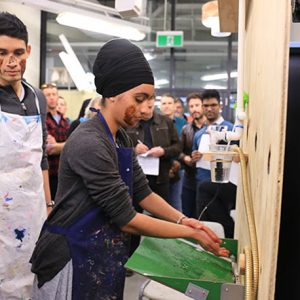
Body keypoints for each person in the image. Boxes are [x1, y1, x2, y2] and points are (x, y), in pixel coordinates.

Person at [30, 38, 229, 300]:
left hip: (102, 253)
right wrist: (191, 234)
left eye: (150, 99)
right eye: (139, 98)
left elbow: (143, 194)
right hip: (71, 256)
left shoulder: (122, 138)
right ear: (113, 93)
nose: (147, 110)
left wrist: (183, 219)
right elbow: (127, 218)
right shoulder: (89, 141)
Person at [0, 12, 52, 299]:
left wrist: (48, 205)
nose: (11, 61)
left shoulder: (36, 97)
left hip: (31, 211)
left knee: (29, 281)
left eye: (18, 52)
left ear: (28, 51)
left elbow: (41, 156)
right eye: (2, 53)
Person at [192, 89, 234, 184]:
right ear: (202, 107)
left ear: (220, 106)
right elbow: (194, 154)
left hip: (226, 183)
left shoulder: (231, 130)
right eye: (206, 106)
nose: (209, 109)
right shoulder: (199, 133)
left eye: (213, 105)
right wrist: (195, 156)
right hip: (202, 181)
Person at [179, 92, 206, 217]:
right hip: (190, 177)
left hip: (207, 178)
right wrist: (186, 158)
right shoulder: (186, 129)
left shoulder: (214, 128)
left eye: (197, 105)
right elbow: (178, 151)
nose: (194, 109)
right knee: (188, 214)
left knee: (204, 215)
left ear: (203, 106)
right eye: (191, 106)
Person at [42, 82, 70, 199]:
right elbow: (49, 149)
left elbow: (73, 145)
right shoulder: (42, 119)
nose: (52, 97)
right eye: (48, 95)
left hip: (64, 173)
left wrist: (58, 145)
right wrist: (67, 145)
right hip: (49, 174)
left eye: (54, 94)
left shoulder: (64, 120)